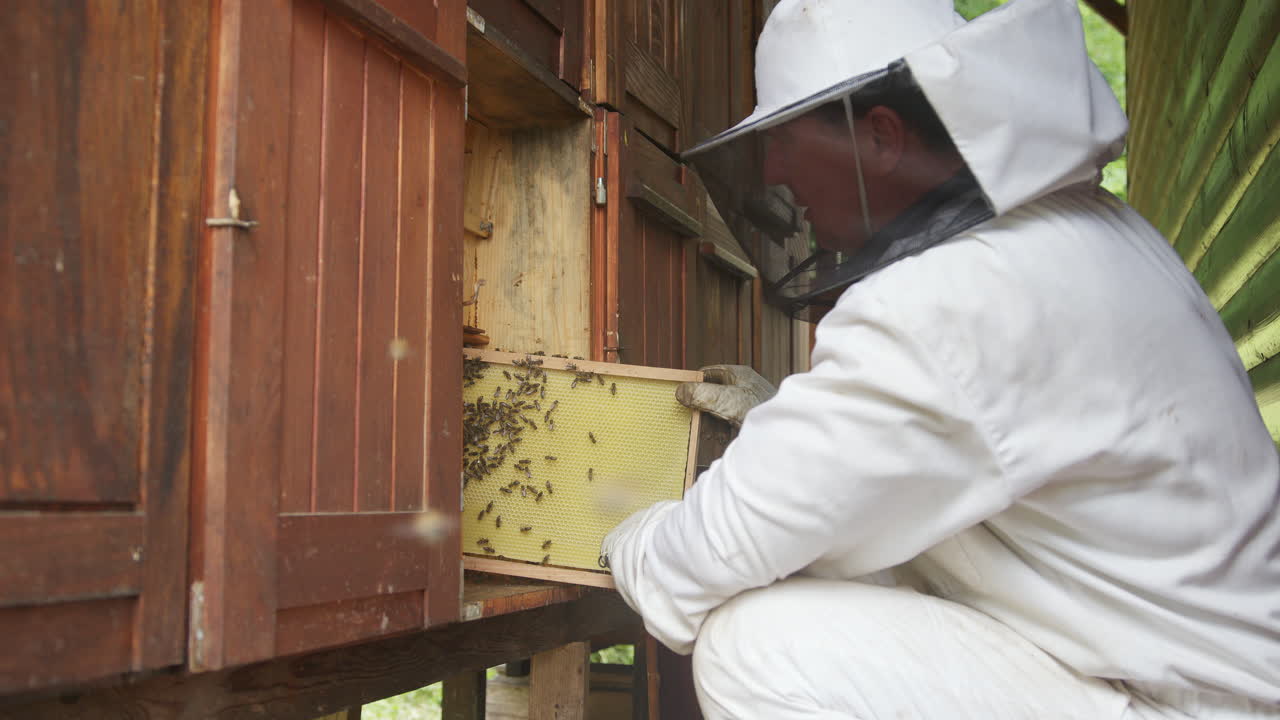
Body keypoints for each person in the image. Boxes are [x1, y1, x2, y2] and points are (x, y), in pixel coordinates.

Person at [599, 0, 1280, 718]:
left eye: (787, 136)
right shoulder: (1081, 235)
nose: (772, 168)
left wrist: (620, 540)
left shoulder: (949, 298)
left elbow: (708, 556)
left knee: (755, 649)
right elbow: (945, 452)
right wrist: (785, 426)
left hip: (1195, 703)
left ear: (882, 137)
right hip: (1165, 665)